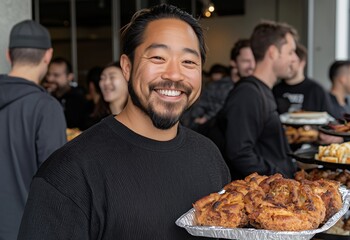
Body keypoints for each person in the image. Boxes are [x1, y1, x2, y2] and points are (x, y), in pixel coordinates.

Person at [17, 4, 230, 240]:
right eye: (158, 57)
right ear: (127, 68)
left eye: (189, 62)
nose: (174, 74)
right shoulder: (69, 173)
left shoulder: (210, 158)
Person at [0, 20, 66, 240]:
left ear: (9, 56)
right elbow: (57, 184)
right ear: (48, 55)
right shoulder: (46, 108)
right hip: (24, 230)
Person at [217, 20, 298, 180]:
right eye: (290, 52)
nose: (294, 59)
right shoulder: (248, 94)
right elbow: (239, 153)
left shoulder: (262, 91)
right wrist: (281, 178)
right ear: (273, 52)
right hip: (264, 194)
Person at [188, 39, 255, 128]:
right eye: (246, 61)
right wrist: (207, 119)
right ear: (233, 62)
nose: (252, 66)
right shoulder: (215, 88)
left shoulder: (256, 89)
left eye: (255, 61)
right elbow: (194, 118)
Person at [273, 44, 334, 115]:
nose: (287, 65)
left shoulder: (316, 90)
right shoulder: (275, 90)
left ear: (302, 62)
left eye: (292, 62)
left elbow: (328, 119)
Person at [45, 57, 88, 130]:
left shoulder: (79, 99)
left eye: (56, 75)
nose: (50, 79)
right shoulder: (44, 96)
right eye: (48, 74)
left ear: (69, 77)